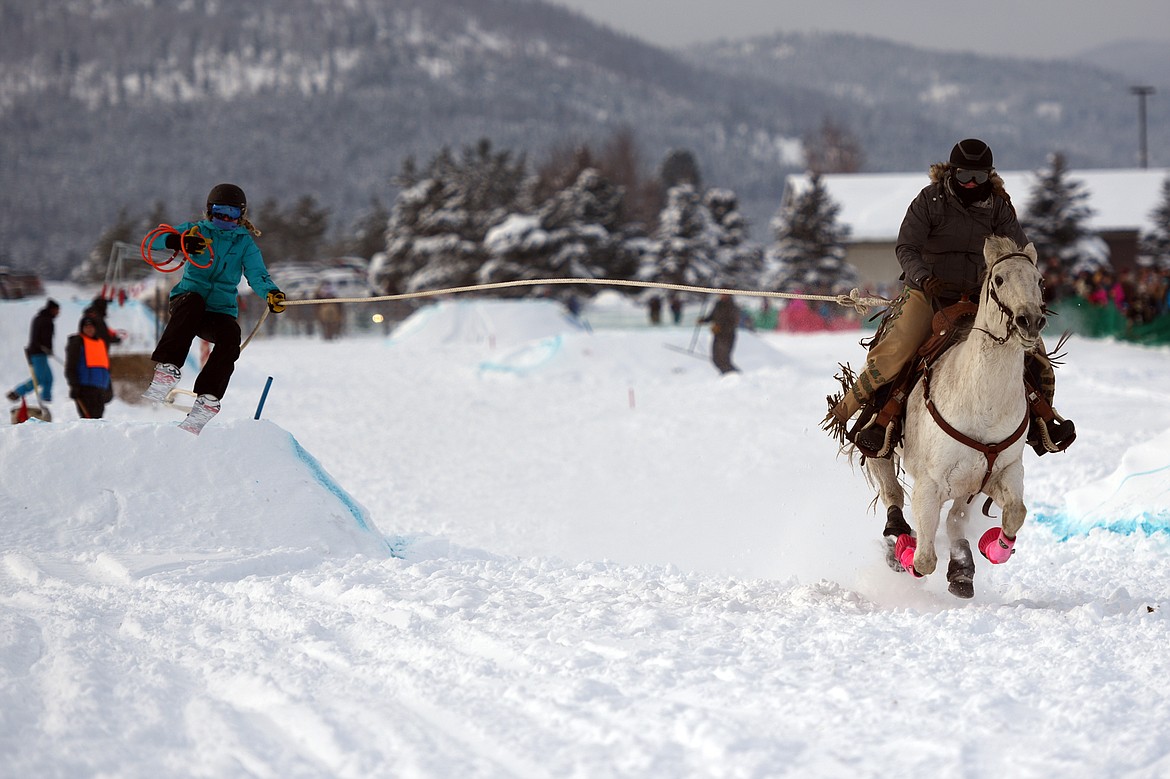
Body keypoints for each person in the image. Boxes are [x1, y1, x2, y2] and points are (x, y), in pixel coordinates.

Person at [826, 138, 1075, 457]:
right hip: (928, 292)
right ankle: (867, 418)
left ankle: (1044, 423)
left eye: (980, 177)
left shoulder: (999, 206)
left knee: (1034, 352)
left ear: (990, 176)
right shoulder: (930, 200)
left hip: (980, 297)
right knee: (899, 350)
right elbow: (906, 247)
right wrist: (923, 276)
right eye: (964, 176)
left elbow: (1016, 253)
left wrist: (1020, 290)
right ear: (950, 173)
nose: (971, 184)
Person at [141, 183, 286, 435]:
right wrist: (180, 240)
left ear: (241, 215)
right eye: (220, 212)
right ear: (210, 212)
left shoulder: (245, 244)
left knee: (231, 334)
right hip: (187, 301)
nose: (226, 219)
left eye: (231, 214)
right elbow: (154, 240)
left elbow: (258, 275)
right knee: (194, 303)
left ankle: (207, 399)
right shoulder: (196, 231)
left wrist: (272, 294)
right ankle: (167, 369)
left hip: (219, 311)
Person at [7, 298, 59, 404]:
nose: (58, 313)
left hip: (39, 352)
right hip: (38, 353)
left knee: (48, 378)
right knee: (39, 379)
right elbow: (41, 337)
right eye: (57, 310)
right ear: (52, 309)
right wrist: (46, 348)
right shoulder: (46, 320)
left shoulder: (40, 318)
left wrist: (47, 349)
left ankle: (46, 398)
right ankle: (17, 393)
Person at [64, 316, 113, 419]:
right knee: (89, 420)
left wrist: (109, 387)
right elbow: (70, 366)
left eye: (91, 327)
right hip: (84, 389)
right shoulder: (78, 342)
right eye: (86, 327)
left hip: (100, 389)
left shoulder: (100, 343)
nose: (89, 329)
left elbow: (106, 368)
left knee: (98, 419)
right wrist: (74, 385)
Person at [698, 294, 741, 374]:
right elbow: (712, 316)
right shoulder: (718, 305)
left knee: (724, 359)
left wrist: (720, 328)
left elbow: (733, 323)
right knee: (715, 358)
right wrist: (703, 320)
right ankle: (727, 375)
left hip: (728, 336)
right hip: (717, 336)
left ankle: (734, 376)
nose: (722, 295)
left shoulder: (733, 307)